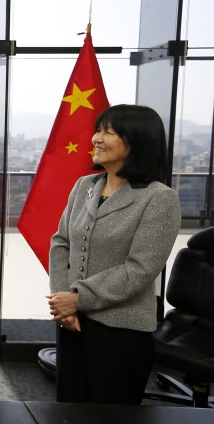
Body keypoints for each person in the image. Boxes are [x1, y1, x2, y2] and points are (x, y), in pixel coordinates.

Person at [47, 104, 181, 405]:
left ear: (137, 141)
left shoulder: (160, 199)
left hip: (122, 330)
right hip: (72, 320)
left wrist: (79, 297)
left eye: (108, 132)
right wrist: (61, 300)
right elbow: (61, 242)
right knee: (69, 408)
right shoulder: (85, 186)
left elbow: (140, 269)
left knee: (111, 414)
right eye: (98, 130)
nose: (97, 138)